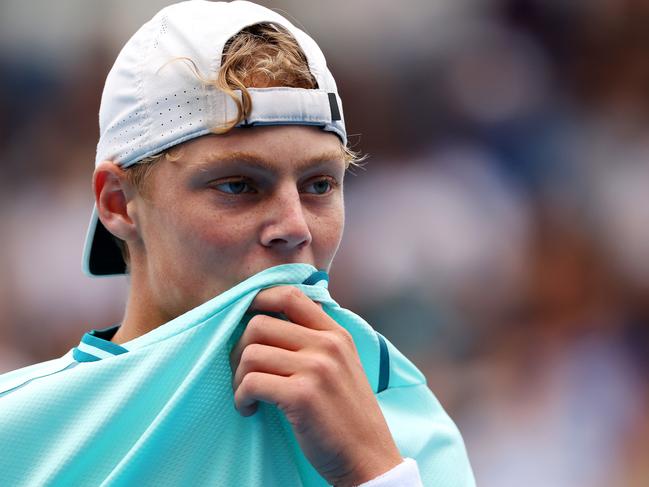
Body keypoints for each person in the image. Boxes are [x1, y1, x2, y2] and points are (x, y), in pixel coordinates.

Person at [0, 1, 475, 486]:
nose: (295, 227)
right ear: (119, 204)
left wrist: (373, 473)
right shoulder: (12, 435)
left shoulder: (411, 438)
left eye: (319, 185)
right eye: (238, 185)